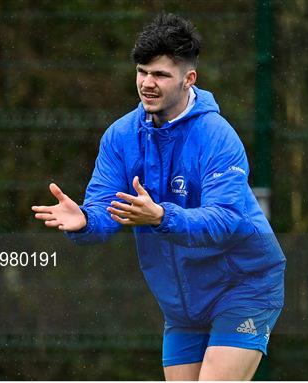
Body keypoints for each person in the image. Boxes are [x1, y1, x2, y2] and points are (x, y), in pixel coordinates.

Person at [32, 12, 285, 381]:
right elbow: (105, 206)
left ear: (188, 78)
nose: (148, 83)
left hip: (243, 285)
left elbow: (226, 220)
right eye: (142, 72)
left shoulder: (218, 137)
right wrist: (86, 220)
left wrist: (161, 217)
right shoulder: (120, 136)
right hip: (181, 300)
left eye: (161, 75)